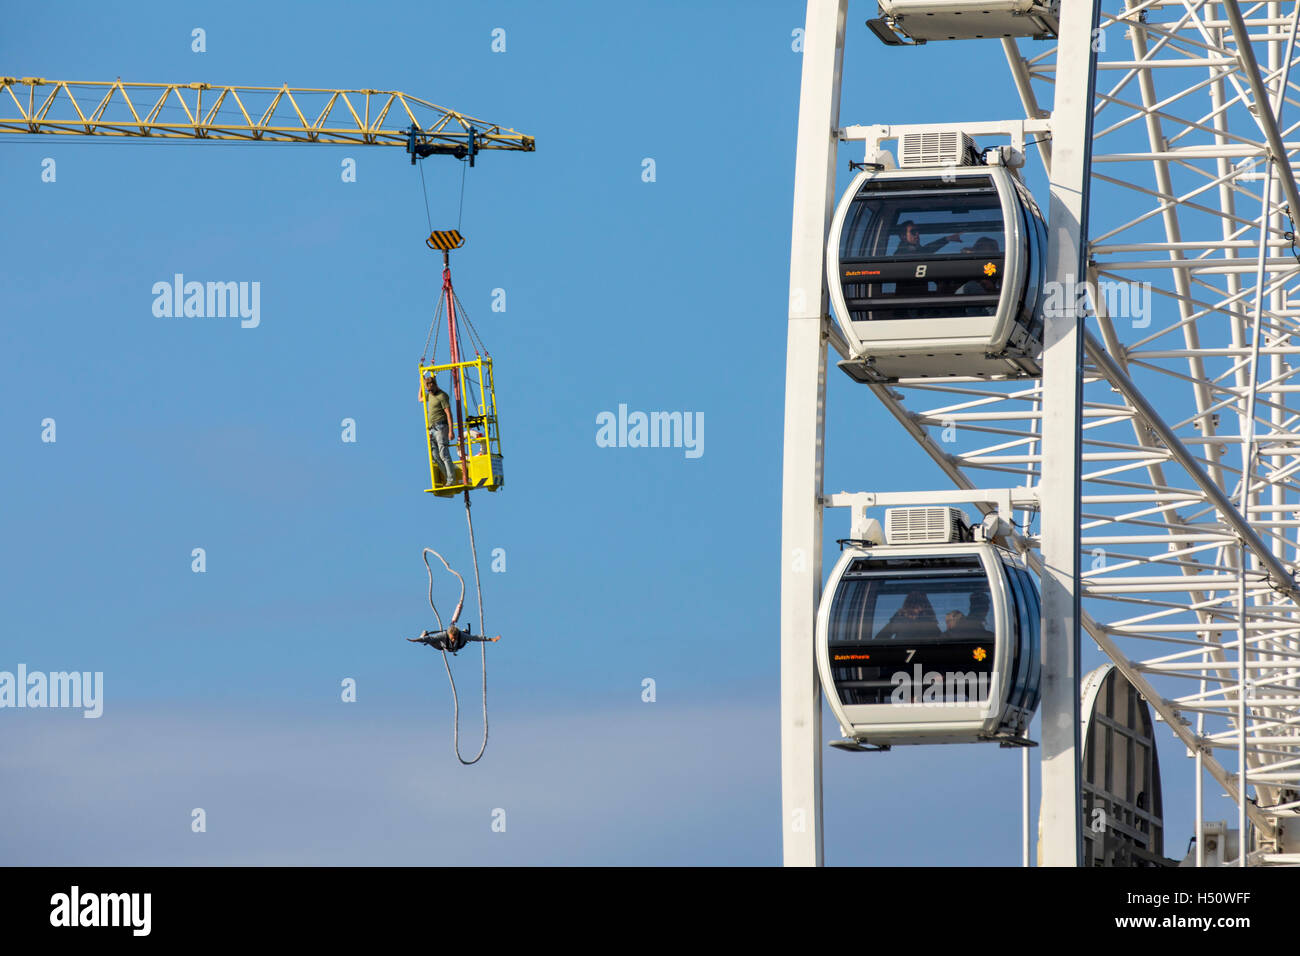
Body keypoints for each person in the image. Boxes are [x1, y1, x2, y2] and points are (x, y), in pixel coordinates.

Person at [421, 373, 457, 486]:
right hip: (432, 429)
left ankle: (451, 479)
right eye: (428, 390)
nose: (430, 392)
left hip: (441, 427)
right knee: (435, 455)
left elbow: (449, 414)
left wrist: (451, 430)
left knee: (443, 454)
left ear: (435, 385)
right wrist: (421, 383)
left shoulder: (442, 396)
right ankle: (448, 478)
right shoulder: (430, 394)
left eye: (431, 389)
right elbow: (420, 398)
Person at [875, 590, 941, 640]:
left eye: (922, 606)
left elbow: (880, 638)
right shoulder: (899, 619)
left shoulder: (898, 619)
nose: (920, 609)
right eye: (917, 606)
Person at [408, 622, 501, 654]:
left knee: (467, 638)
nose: (453, 639)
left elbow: (476, 638)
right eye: (452, 638)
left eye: (454, 638)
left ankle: (465, 631)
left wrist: (491, 639)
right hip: (443, 646)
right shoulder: (444, 635)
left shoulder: (461, 635)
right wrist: (416, 640)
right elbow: (428, 639)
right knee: (431, 640)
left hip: (458, 646)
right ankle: (423, 634)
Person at [894, 220, 962, 256]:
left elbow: (927, 249)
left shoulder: (916, 250)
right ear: (903, 236)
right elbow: (926, 250)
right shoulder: (901, 254)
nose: (917, 234)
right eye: (913, 231)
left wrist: (947, 239)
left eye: (918, 231)